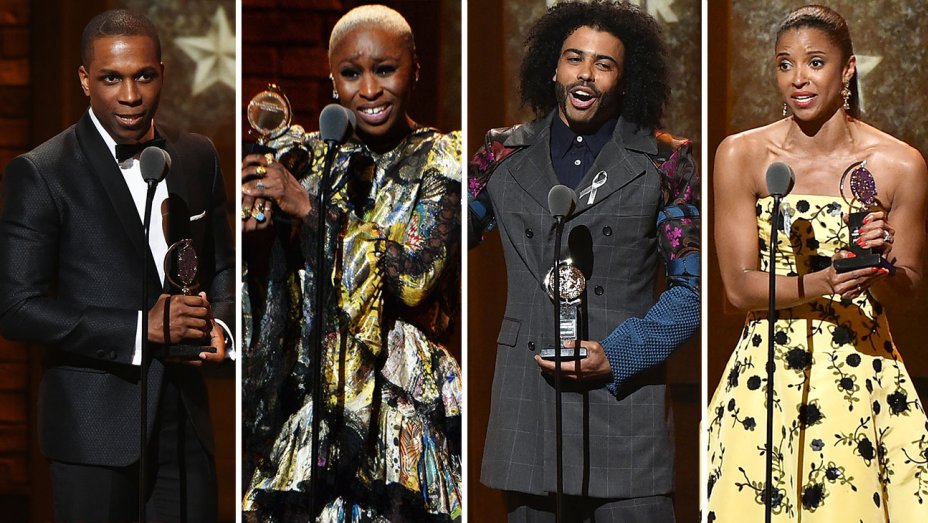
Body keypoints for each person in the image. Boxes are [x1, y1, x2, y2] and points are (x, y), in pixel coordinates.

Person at [468, 1, 700, 520]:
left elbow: (694, 292)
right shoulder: (501, 154)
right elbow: (436, 243)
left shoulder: (665, 160)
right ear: (554, 66)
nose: (586, 74)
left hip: (624, 411)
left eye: (604, 64)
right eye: (575, 58)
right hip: (528, 406)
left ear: (622, 79)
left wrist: (618, 354)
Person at [0, 9, 233, 523]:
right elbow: (16, 307)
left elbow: (223, 266)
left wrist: (220, 325)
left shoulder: (196, 156)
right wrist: (139, 328)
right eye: (111, 78)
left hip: (183, 424)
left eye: (143, 76)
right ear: (84, 80)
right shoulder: (42, 173)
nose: (130, 96)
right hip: (93, 430)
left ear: (162, 73)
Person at [705, 5, 928, 521]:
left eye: (814, 63)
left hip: (862, 372)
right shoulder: (742, 155)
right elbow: (737, 290)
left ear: (847, 69)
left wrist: (880, 267)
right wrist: (824, 279)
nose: (798, 79)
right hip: (768, 373)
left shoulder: (899, 164)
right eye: (785, 64)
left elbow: (910, 293)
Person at [240, 5, 462, 521]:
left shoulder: (440, 158)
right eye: (351, 73)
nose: (368, 90)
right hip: (313, 393)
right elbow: (280, 287)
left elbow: (412, 280)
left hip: (397, 394)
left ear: (415, 69)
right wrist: (257, 239)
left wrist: (309, 210)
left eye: (385, 70)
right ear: (331, 78)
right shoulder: (305, 159)